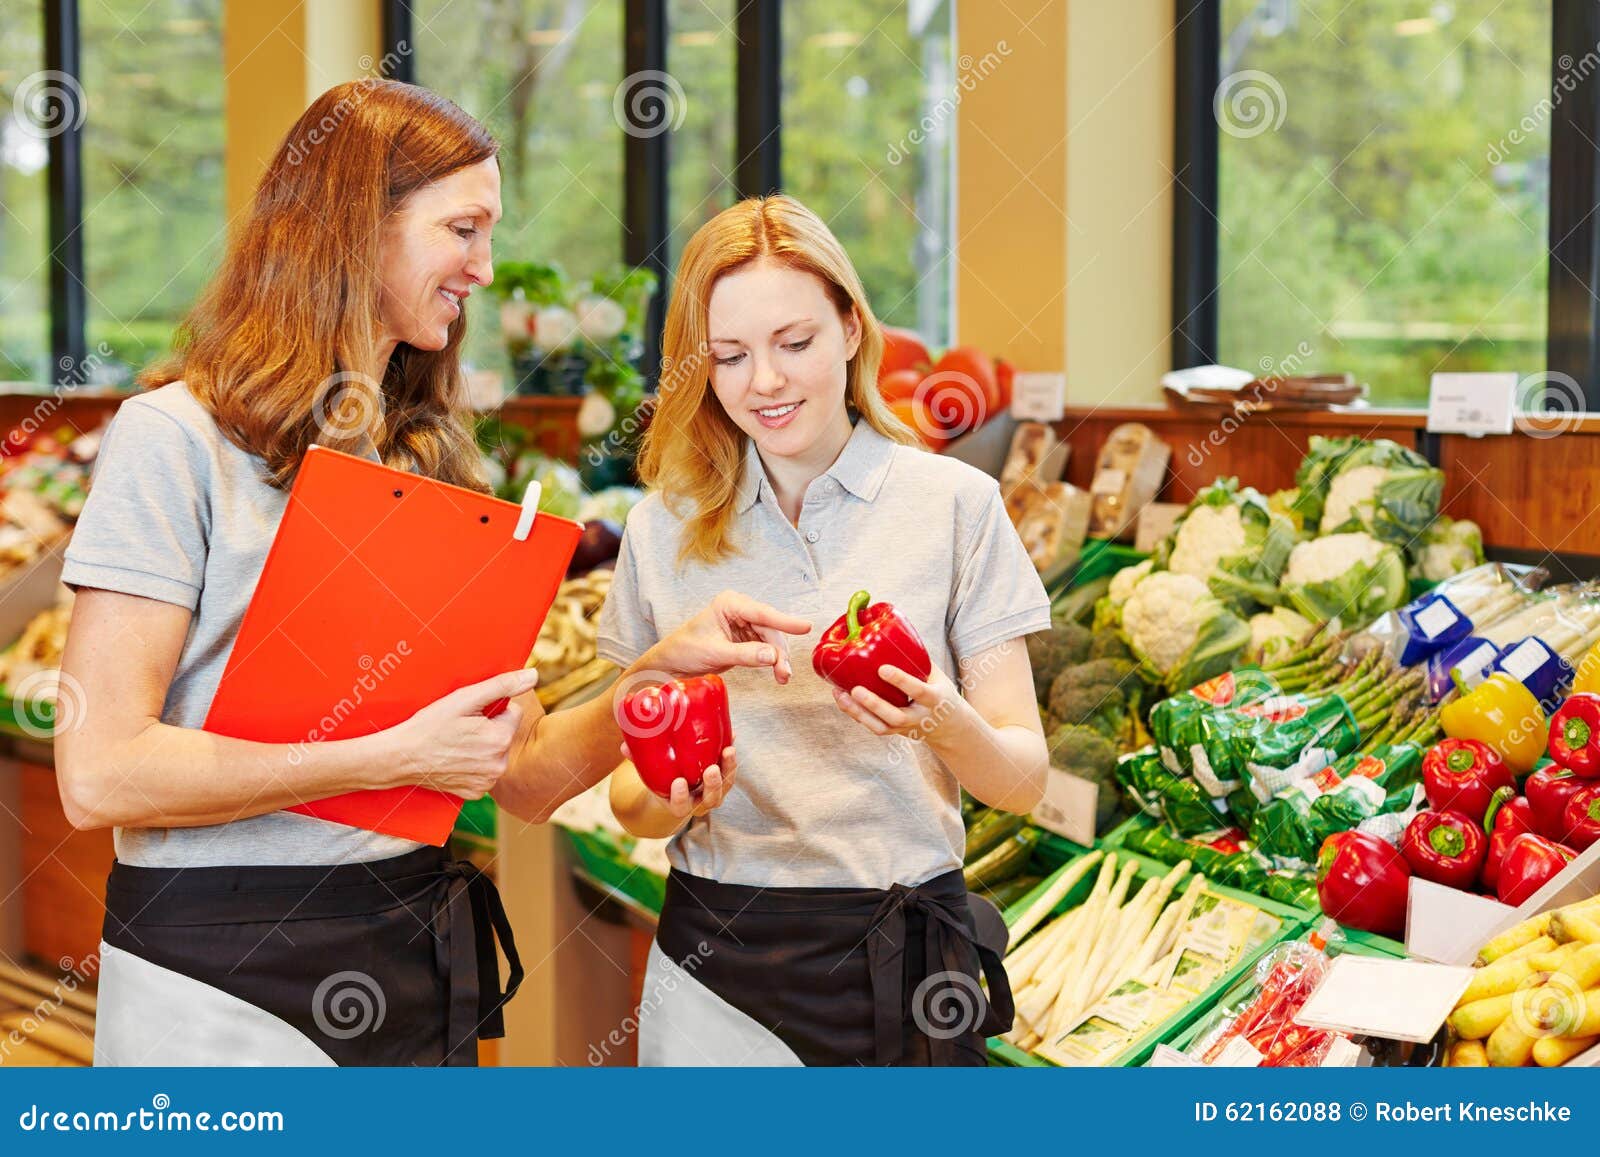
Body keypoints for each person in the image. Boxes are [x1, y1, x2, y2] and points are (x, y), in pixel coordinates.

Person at [55, 81, 800, 1068]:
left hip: (409, 949)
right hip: (213, 970)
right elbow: (100, 771)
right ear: (357, 223)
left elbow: (523, 775)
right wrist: (385, 753)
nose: (484, 269)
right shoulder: (174, 442)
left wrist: (655, 675)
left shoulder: (435, 464)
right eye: (464, 228)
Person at [601, 195, 1051, 1066]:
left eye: (794, 343)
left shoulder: (957, 508)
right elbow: (629, 800)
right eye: (729, 356)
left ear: (851, 327)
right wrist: (672, 797)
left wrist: (942, 720)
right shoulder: (660, 531)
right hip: (715, 969)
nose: (763, 381)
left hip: (910, 959)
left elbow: (1023, 780)